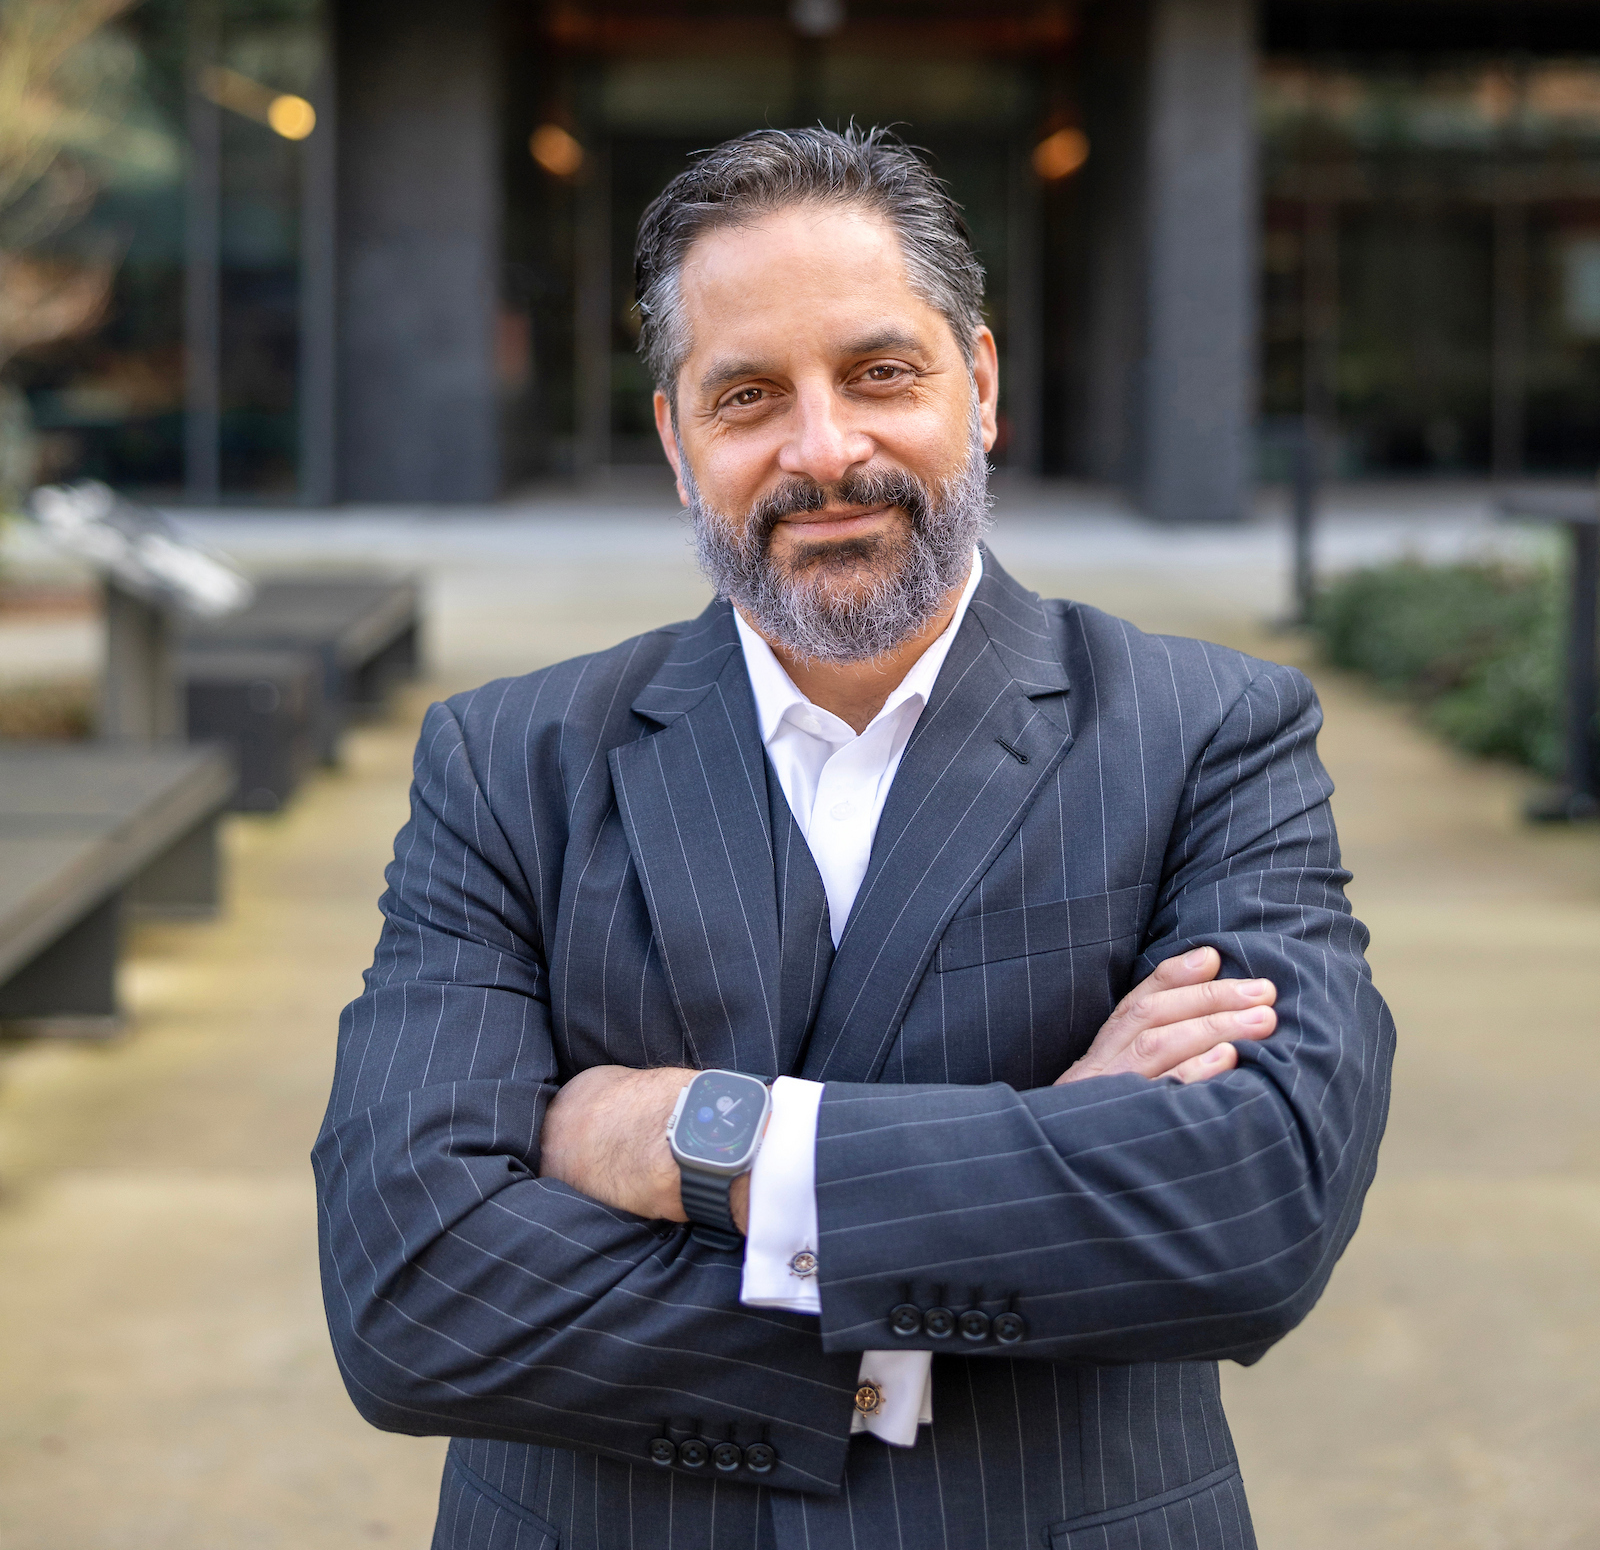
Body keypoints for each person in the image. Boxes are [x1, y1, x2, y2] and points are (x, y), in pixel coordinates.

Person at [315, 123, 1393, 1550]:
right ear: (677, 444)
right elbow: (414, 1296)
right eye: (749, 394)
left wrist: (698, 1142)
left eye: (882, 375)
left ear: (983, 385)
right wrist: (1035, 1181)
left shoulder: (1210, 732)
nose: (825, 451)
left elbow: (1253, 1212)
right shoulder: (506, 765)